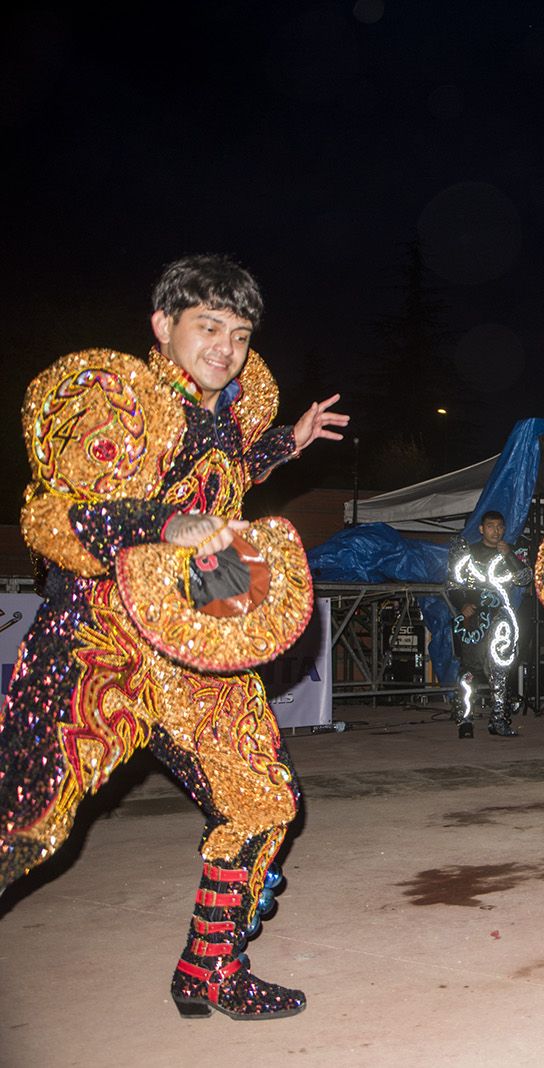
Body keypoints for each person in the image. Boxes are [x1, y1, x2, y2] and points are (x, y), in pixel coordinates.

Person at [0, 255, 347, 1019]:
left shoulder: (225, 413)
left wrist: (287, 443)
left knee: (262, 801)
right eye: (208, 326)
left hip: (197, 643)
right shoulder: (119, 404)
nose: (224, 346)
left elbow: (219, 480)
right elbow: (54, 518)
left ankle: (209, 971)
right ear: (164, 326)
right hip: (101, 638)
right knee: (22, 818)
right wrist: (163, 523)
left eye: (239, 333)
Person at [446, 510, 533, 739]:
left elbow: (525, 578)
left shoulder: (510, 553)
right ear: (482, 529)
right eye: (491, 526)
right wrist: (462, 605)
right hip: (473, 619)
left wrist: (509, 555)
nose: (496, 531)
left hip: (501, 620)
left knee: (500, 670)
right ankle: (464, 720)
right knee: (469, 670)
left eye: (500, 526)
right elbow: (453, 584)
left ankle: (498, 721)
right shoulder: (469, 553)